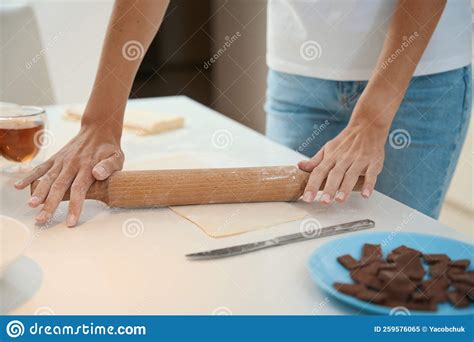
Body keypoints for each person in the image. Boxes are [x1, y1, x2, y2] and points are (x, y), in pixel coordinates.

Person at [14, 0, 471, 227]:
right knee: (295, 247)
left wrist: (372, 119)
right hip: (299, 68)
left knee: (392, 263)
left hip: (418, 77)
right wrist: (100, 121)